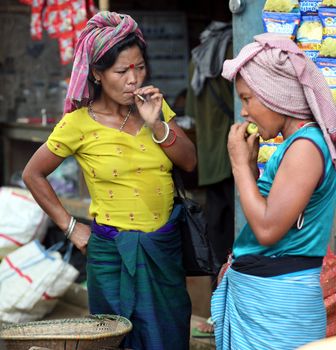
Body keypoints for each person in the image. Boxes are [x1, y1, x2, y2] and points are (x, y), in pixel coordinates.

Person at [22, 11, 196, 349]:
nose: (133, 79)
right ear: (98, 74)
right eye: (121, 71)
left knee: (170, 334)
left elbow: (189, 160)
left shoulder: (154, 107)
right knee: (113, 339)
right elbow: (33, 173)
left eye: (140, 67)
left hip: (162, 249)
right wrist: (71, 227)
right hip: (110, 253)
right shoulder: (78, 124)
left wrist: (157, 123)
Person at [211, 32, 336, 350]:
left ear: (275, 94)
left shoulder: (305, 147)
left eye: (247, 98)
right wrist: (251, 170)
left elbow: (267, 230)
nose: (244, 112)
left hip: (279, 304)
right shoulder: (294, 145)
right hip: (271, 299)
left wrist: (239, 168)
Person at [185, 21, 234, 337]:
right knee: (237, 240)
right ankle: (226, 314)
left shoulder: (199, 57)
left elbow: (190, 107)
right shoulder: (232, 53)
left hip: (211, 161)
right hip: (235, 159)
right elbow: (239, 105)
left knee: (218, 238)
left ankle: (218, 312)